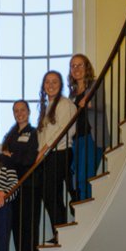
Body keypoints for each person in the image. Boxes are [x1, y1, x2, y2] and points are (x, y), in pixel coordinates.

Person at [2, 99, 42, 251]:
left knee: (29, 225)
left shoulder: (34, 133)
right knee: (17, 227)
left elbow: (30, 159)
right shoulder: (10, 135)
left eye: (22, 110)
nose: (19, 113)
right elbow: (4, 159)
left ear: (29, 112)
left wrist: (12, 157)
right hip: (14, 188)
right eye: (16, 111)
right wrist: (13, 158)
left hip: (30, 186)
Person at [36, 70, 76, 233]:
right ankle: (58, 232)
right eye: (47, 82)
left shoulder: (65, 104)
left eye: (54, 82)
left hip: (60, 153)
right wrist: (40, 151)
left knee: (52, 195)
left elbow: (64, 130)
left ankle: (61, 233)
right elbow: (42, 135)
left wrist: (44, 150)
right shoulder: (47, 107)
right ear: (43, 86)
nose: (50, 85)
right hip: (48, 156)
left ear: (60, 85)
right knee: (50, 196)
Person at [68, 54, 109, 200]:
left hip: (91, 137)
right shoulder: (72, 93)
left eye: (80, 65)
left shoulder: (95, 84)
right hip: (76, 140)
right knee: (77, 177)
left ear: (87, 67)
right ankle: (82, 206)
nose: (76, 68)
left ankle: (86, 208)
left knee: (86, 176)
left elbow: (101, 105)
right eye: (73, 66)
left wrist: (88, 103)